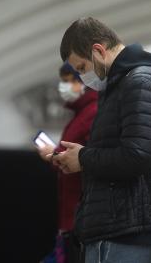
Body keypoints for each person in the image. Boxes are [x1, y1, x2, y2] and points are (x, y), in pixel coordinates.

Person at [49, 17, 151, 263]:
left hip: (130, 233)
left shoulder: (140, 82)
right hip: (117, 227)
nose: (84, 78)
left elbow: (139, 155)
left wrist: (83, 158)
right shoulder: (119, 86)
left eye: (82, 68)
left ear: (98, 50)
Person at [37, 62, 98, 263]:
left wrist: (53, 154)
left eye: (67, 81)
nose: (63, 87)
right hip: (72, 220)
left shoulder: (92, 112)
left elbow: (87, 158)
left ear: (82, 80)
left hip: (82, 219)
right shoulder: (81, 113)